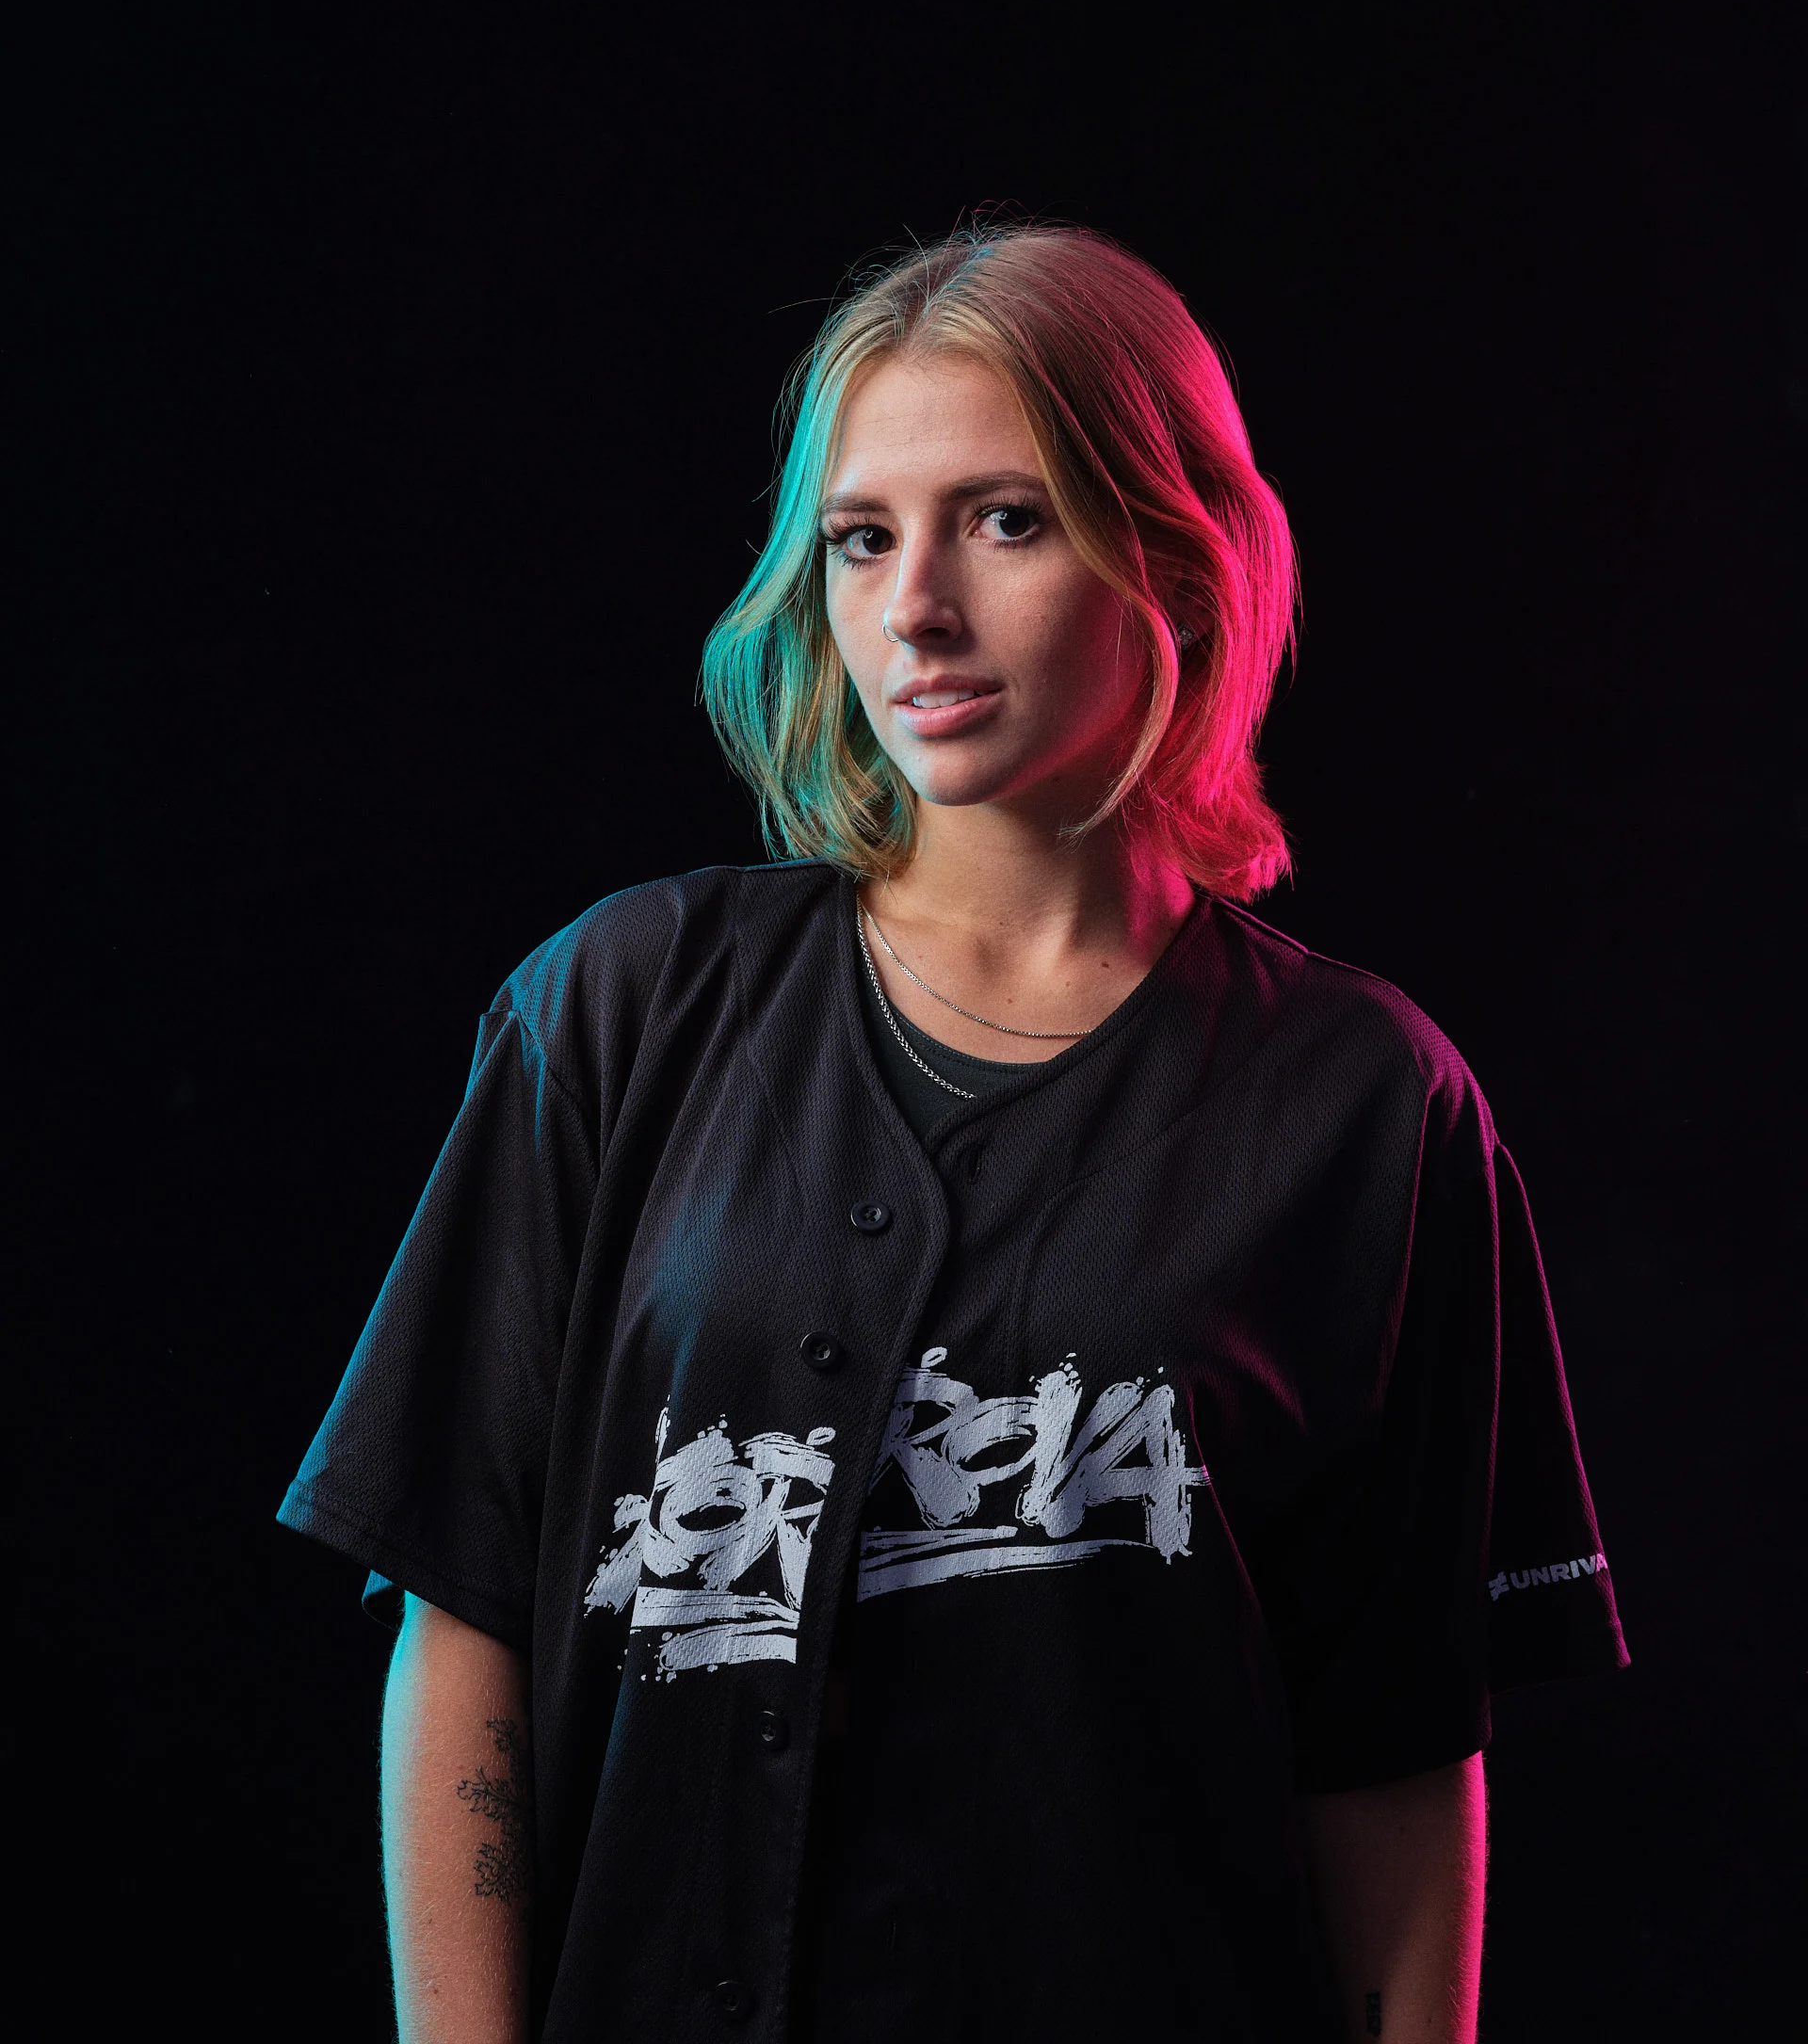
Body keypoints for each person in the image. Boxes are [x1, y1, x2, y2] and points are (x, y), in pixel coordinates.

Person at [279, 222, 1627, 2043]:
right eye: (861, 537)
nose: (915, 604)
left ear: (1174, 550)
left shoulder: (1369, 1111)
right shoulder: (616, 1009)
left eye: (1005, 519)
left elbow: (1393, 1761)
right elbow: (469, 1630)